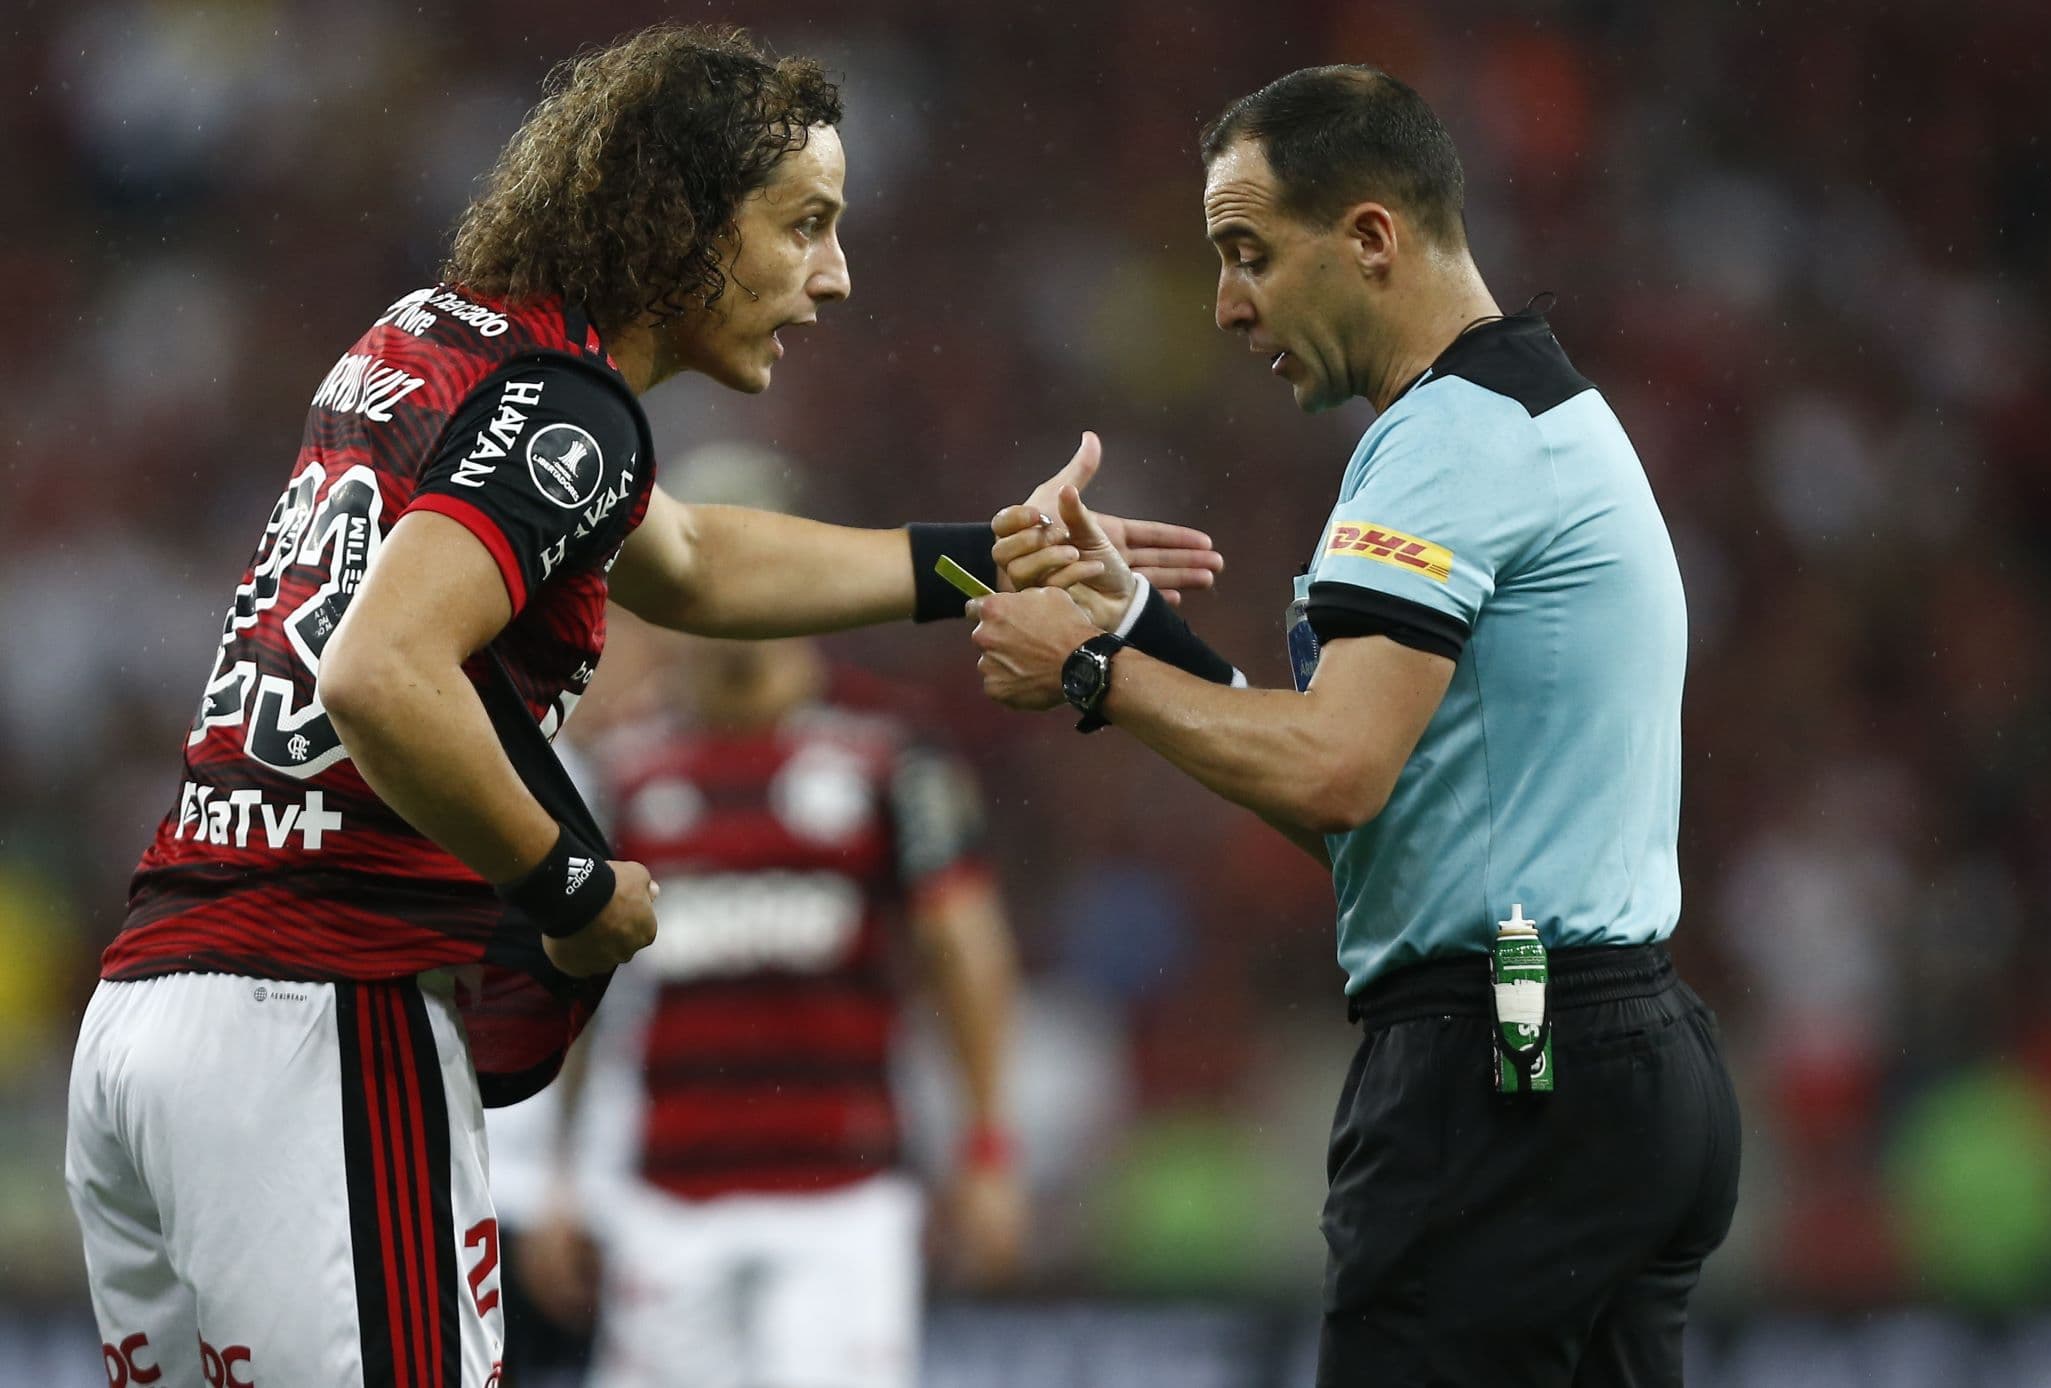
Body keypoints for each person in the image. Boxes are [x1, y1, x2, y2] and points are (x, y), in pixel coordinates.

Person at [63, 25, 1217, 1388]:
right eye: (802, 226)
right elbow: (379, 672)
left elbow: (689, 560)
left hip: (150, 1009)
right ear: (681, 217)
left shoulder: (435, 342)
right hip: (319, 1014)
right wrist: (571, 887)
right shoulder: (572, 415)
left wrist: (981, 553)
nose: (832, 277)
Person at [967, 65, 1741, 1387]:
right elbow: (1375, 793)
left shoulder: (1446, 442)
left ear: (1370, 237)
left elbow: (1333, 770)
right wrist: (1136, 622)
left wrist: (1093, 669)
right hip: (1611, 1056)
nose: (1225, 305)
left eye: (1247, 253)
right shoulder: (1526, 416)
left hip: (1498, 1079)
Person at [492, 446, 1028, 1388]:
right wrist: (565, 1176)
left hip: (842, 1204)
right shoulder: (623, 772)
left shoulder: (891, 756)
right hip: (665, 1206)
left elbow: (964, 949)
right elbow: (577, 981)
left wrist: (985, 1147)